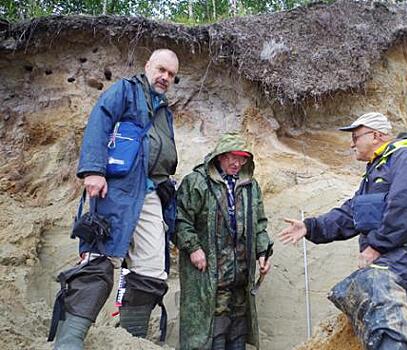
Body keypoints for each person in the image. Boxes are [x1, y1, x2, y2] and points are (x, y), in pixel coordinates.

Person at [279, 112, 407, 349]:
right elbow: (350, 214)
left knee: (373, 279)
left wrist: (377, 246)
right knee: (350, 288)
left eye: (356, 136)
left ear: (376, 135)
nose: (351, 143)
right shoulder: (377, 171)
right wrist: (310, 227)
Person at [49, 49, 180, 349]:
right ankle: (68, 342)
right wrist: (93, 170)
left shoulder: (164, 110)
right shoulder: (125, 90)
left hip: (151, 193)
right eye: (161, 69)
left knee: (151, 269)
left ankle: (130, 340)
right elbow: (100, 120)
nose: (165, 77)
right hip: (117, 189)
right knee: (99, 259)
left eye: (171, 74)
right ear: (148, 66)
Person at [176, 133, 273, 350]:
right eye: (232, 157)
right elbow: (180, 219)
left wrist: (262, 253)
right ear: (220, 156)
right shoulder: (197, 182)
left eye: (242, 159)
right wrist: (193, 248)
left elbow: (259, 224)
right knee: (213, 329)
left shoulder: (250, 186)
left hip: (239, 273)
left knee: (238, 326)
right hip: (209, 273)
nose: (237, 163)